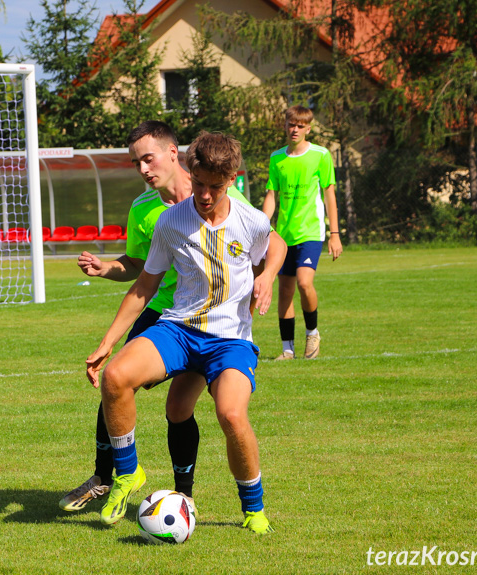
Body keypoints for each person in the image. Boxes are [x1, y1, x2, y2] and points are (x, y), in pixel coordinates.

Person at [86, 131, 287, 533]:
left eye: (215, 186)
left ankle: (253, 507)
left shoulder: (250, 221)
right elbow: (145, 285)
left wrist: (267, 277)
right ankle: (128, 473)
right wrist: (107, 343)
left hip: (230, 340)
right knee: (116, 377)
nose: (205, 194)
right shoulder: (170, 221)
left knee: (230, 414)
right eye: (199, 184)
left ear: (231, 180)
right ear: (189, 172)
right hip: (179, 329)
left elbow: (275, 244)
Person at [59, 121, 252, 513]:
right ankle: (106, 476)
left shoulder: (219, 190)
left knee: (180, 410)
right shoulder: (143, 209)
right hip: (163, 314)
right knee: (116, 381)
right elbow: (137, 266)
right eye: (136, 163)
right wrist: (104, 268)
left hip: (213, 321)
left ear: (172, 152)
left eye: (148, 158)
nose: (144, 169)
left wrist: (260, 282)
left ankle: (185, 494)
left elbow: (259, 240)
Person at [262, 105, 343, 360]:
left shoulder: (321, 155)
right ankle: (287, 349)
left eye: (300, 125)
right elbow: (271, 196)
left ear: (308, 128)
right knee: (284, 291)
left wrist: (335, 233)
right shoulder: (277, 158)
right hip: (284, 235)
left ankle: (312, 333)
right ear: (285, 125)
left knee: (304, 282)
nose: (294, 129)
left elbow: (329, 194)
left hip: (311, 231)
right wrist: (263, 228)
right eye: (290, 124)